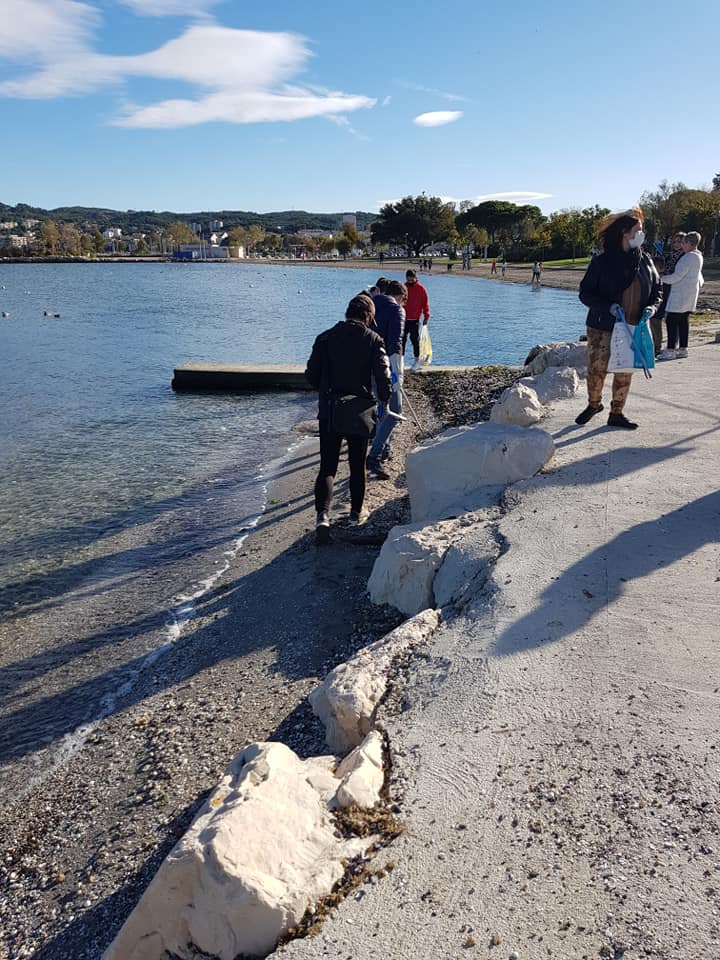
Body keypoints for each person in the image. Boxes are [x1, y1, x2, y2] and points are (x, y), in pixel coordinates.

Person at [305, 294, 392, 542]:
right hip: (360, 410)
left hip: (331, 409)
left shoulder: (324, 338)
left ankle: (322, 516)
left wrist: (325, 387)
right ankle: (356, 512)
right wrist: (384, 401)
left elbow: (311, 376)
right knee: (357, 464)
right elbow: (384, 378)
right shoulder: (374, 340)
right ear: (367, 316)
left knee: (327, 466)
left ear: (347, 313)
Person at [576, 207, 662, 430]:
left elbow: (658, 290)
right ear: (625, 232)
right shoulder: (601, 262)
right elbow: (585, 293)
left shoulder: (646, 261)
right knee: (597, 370)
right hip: (602, 326)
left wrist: (652, 308)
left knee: (625, 371)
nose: (642, 234)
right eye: (639, 230)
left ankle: (617, 412)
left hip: (633, 325)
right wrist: (609, 307)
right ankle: (594, 404)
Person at [366, 280, 407, 478]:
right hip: (386, 366)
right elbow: (395, 343)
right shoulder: (397, 310)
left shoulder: (371, 305)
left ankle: (384, 448)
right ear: (399, 297)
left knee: (382, 407)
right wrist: (397, 374)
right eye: (403, 301)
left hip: (367, 365)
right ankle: (374, 455)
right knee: (395, 410)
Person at [656, 231, 704, 361]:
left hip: (680, 294)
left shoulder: (688, 258)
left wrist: (661, 278)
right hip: (689, 294)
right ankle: (683, 348)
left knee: (671, 320)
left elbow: (677, 276)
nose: (682, 245)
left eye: (683, 242)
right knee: (683, 320)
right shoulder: (698, 256)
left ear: (689, 243)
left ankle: (671, 349)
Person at [653, 232, 686, 356]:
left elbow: (676, 274)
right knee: (657, 316)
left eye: (680, 241)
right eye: (675, 241)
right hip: (663, 286)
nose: (676, 244)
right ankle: (657, 344)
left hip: (674, 288)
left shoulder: (684, 257)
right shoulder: (668, 255)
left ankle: (673, 345)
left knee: (673, 318)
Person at [402, 268, 430, 366]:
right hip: (403, 319)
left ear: (415, 278)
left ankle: (416, 359)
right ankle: (401, 359)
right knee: (402, 340)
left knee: (415, 340)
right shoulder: (403, 287)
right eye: (408, 280)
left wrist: (426, 316)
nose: (410, 282)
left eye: (411, 280)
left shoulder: (421, 289)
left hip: (415, 320)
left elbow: (425, 304)